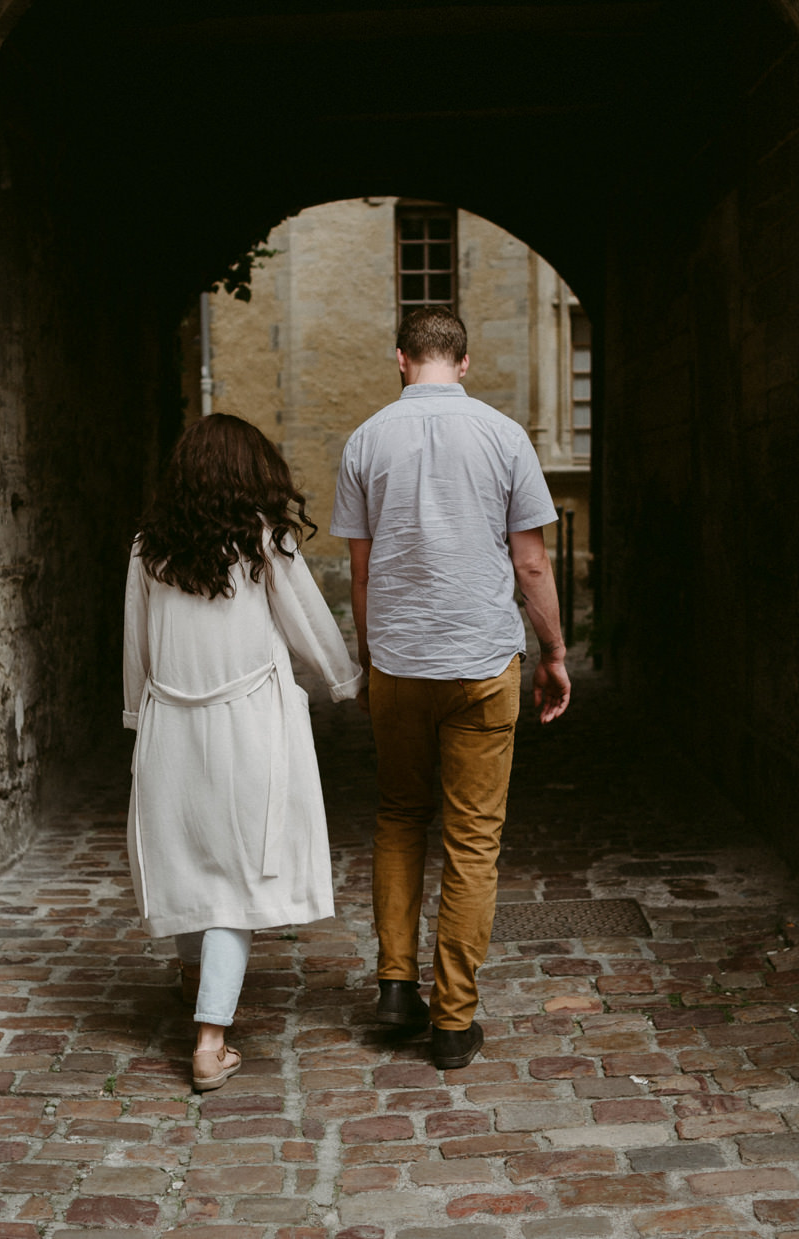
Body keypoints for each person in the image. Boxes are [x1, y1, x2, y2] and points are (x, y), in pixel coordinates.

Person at [330, 304, 571, 1070]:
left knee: (400, 813)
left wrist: (370, 659)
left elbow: (361, 572)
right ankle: (453, 1019)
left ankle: (397, 983)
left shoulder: (366, 439)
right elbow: (531, 563)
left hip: (400, 660)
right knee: (473, 840)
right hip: (480, 662)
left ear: (401, 359)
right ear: (462, 363)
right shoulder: (504, 436)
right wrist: (555, 650)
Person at [122, 413, 363, 1092]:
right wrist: (346, 681)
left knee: (188, 858)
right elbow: (310, 626)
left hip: (171, 719)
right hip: (250, 726)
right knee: (236, 877)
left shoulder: (149, 547)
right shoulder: (264, 540)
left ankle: (198, 982)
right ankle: (209, 1038)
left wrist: (137, 715)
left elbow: (135, 646)